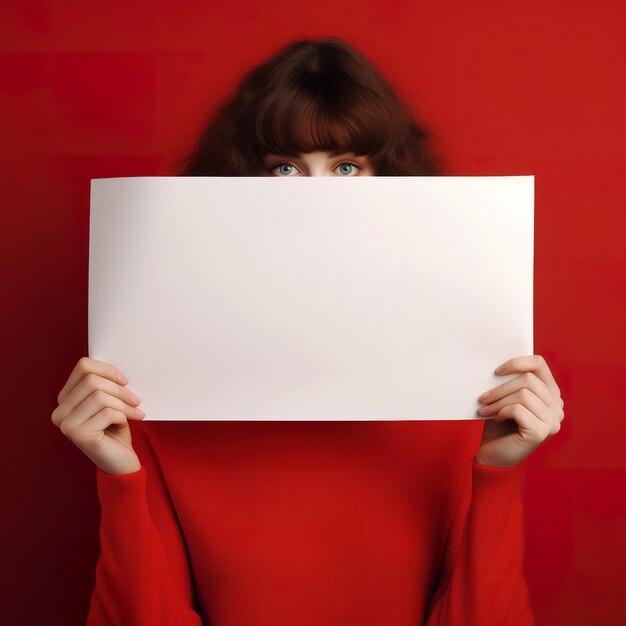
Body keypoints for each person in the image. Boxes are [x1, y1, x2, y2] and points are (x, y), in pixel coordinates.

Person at [51, 37, 565, 625]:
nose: (316, 196)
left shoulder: (463, 393)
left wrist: (498, 474)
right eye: (286, 168)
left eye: (347, 167)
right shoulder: (159, 396)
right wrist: (121, 478)